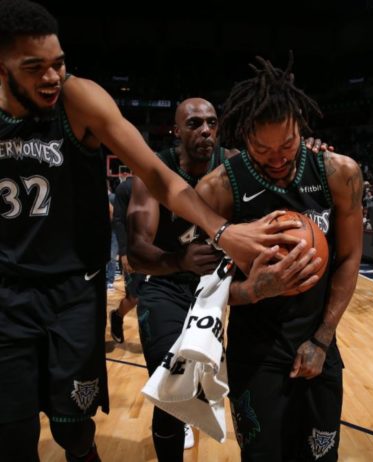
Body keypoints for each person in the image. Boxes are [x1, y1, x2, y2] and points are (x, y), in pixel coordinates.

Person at [0, 3, 301, 461]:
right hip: (11, 291)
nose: (52, 77)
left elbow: (160, 177)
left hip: (72, 290)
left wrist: (223, 232)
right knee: (12, 437)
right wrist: (181, 258)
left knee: (73, 431)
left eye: (58, 62)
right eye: (34, 67)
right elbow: (139, 246)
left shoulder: (79, 99)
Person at [129, 97, 325, 461]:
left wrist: (309, 151)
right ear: (176, 130)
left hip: (217, 292)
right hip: (169, 287)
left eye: (211, 123)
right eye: (194, 124)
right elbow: (136, 253)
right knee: (171, 390)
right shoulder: (155, 171)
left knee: (197, 388)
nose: (205, 130)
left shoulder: (233, 165)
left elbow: (279, 160)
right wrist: (178, 260)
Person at [195, 55, 363, 461]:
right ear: (244, 135)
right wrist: (252, 290)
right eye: (262, 148)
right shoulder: (218, 189)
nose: (277, 158)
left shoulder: (339, 174)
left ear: (300, 127)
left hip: (318, 342)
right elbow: (199, 287)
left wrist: (322, 339)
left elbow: (349, 256)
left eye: (287, 145)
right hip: (255, 353)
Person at [109, 174, 145, 344]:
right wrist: (123, 252)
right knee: (134, 298)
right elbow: (118, 221)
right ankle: (117, 316)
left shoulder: (159, 185)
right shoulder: (125, 188)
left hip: (157, 250)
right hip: (133, 251)